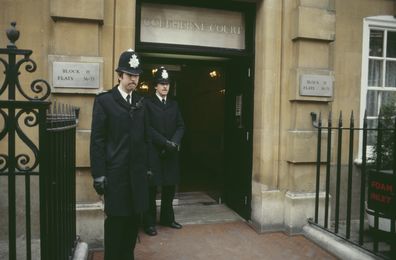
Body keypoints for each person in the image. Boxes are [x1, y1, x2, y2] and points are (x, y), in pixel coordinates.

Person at [90, 49, 149, 260]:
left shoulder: (141, 103)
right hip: (116, 177)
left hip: (137, 177)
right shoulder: (105, 101)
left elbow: (145, 139)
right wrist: (98, 174)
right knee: (116, 225)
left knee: (133, 225)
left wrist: (147, 169)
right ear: (119, 75)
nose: (134, 79)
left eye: (136, 75)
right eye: (129, 74)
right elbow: (97, 141)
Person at [143, 66, 185, 236]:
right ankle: (149, 223)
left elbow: (181, 126)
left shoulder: (174, 104)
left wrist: (173, 142)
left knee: (169, 189)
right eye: (161, 83)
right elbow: (147, 128)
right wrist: (164, 142)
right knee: (151, 190)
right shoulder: (147, 103)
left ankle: (168, 219)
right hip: (154, 153)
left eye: (167, 83)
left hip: (171, 154)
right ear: (155, 86)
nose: (165, 87)